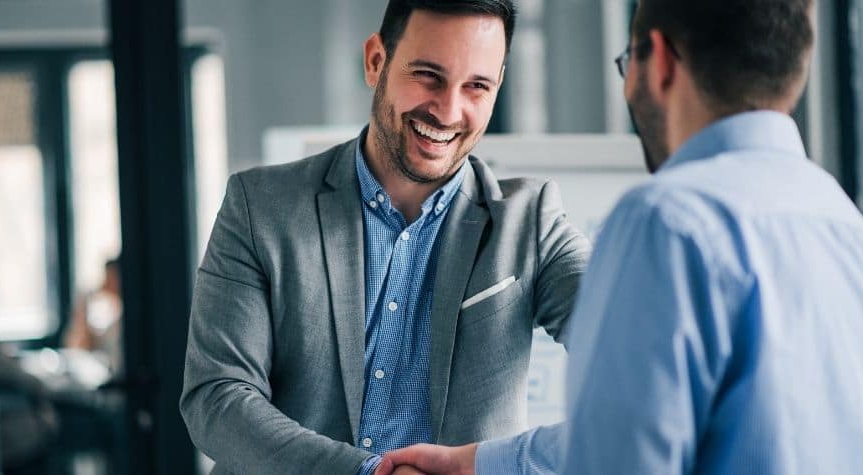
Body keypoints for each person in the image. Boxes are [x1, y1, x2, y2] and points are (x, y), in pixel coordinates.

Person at [379, 0, 863, 473]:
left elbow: (620, 458)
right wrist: (482, 463)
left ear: (658, 61)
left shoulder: (668, 221)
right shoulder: (854, 235)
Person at [179, 1, 591, 473]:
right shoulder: (261, 206)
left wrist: (509, 463)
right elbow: (217, 398)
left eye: (477, 86)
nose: (448, 110)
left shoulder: (531, 224)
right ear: (376, 61)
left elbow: (647, 356)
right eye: (428, 76)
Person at [64, 257, 123, 375]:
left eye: (110, 277)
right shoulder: (113, 320)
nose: (105, 282)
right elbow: (78, 347)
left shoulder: (126, 321)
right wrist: (83, 306)